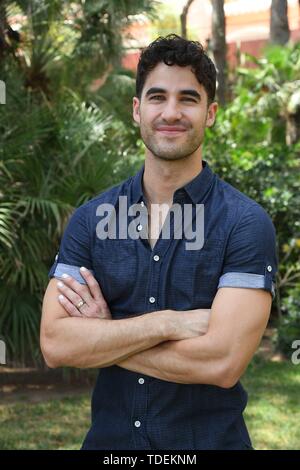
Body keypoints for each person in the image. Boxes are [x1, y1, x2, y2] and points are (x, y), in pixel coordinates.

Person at [40, 34, 277, 450]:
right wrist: (166, 324)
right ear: (137, 109)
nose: (171, 112)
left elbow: (222, 362)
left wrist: (104, 336)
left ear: (211, 113)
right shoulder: (91, 220)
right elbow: (56, 344)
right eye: (157, 97)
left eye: (188, 98)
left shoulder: (244, 224)